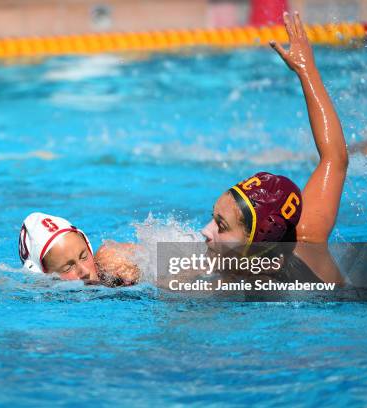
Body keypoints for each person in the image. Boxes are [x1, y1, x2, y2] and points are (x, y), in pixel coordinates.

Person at [97, 12, 349, 285]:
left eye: (222, 226)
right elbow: (334, 158)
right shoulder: (307, 234)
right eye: (214, 219)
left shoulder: (248, 287)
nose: (205, 232)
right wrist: (306, 70)